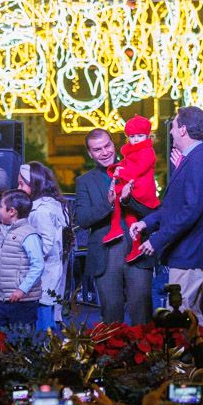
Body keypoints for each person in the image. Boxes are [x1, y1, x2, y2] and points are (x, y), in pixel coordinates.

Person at [127, 107, 203, 324]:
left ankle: (185, 358)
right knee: (191, 317)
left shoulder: (199, 161)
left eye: (174, 126)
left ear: (183, 130)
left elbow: (190, 211)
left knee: (179, 317)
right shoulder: (194, 159)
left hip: (190, 252)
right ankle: (194, 357)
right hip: (188, 251)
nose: (170, 132)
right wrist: (146, 222)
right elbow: (174, 206)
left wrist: (157, 239)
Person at [76, 127, 155, 326]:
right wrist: (109, 203)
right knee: (111, 317)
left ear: (114, 144)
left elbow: (152, 211)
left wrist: (128, 201)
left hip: (137, 252)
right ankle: (111, 357)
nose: (104, 152)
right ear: (90, 153)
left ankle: (146, 357)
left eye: (107, 146)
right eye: (97, 149)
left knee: (142, 315)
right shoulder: (85, 181)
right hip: (106, 254)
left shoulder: (137, 169)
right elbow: (83, 219)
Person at [104, 115, 162, 260]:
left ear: (147, 136)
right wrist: (117, 168)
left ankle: (115, 227)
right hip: (133, 185)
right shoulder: (132, 151)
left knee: (118, 194)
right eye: (132, 136)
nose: (136, 139)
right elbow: (127, 165)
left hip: (142, 190)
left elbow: (137, 169)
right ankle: (135, 246)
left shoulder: (147, 151)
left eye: (140, 136)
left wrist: (120, 171)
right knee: (130, 215)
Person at [21, 162, 69, 331]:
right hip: (48, 272)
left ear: (34, 184)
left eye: (21, 184)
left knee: (43, 319)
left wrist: (22, 256)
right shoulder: (50, 205)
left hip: (43, 273)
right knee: (46, 312)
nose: (18, 187)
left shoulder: (41, 211)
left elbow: (46, 245)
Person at [0, 190, 45, 333]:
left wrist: (22, 289)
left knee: (21, 342)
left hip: (22, 302)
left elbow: (38, 265)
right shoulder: (3, 233)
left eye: (1, 206)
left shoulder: (29, 234)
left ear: (11, 211)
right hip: (1, 299)